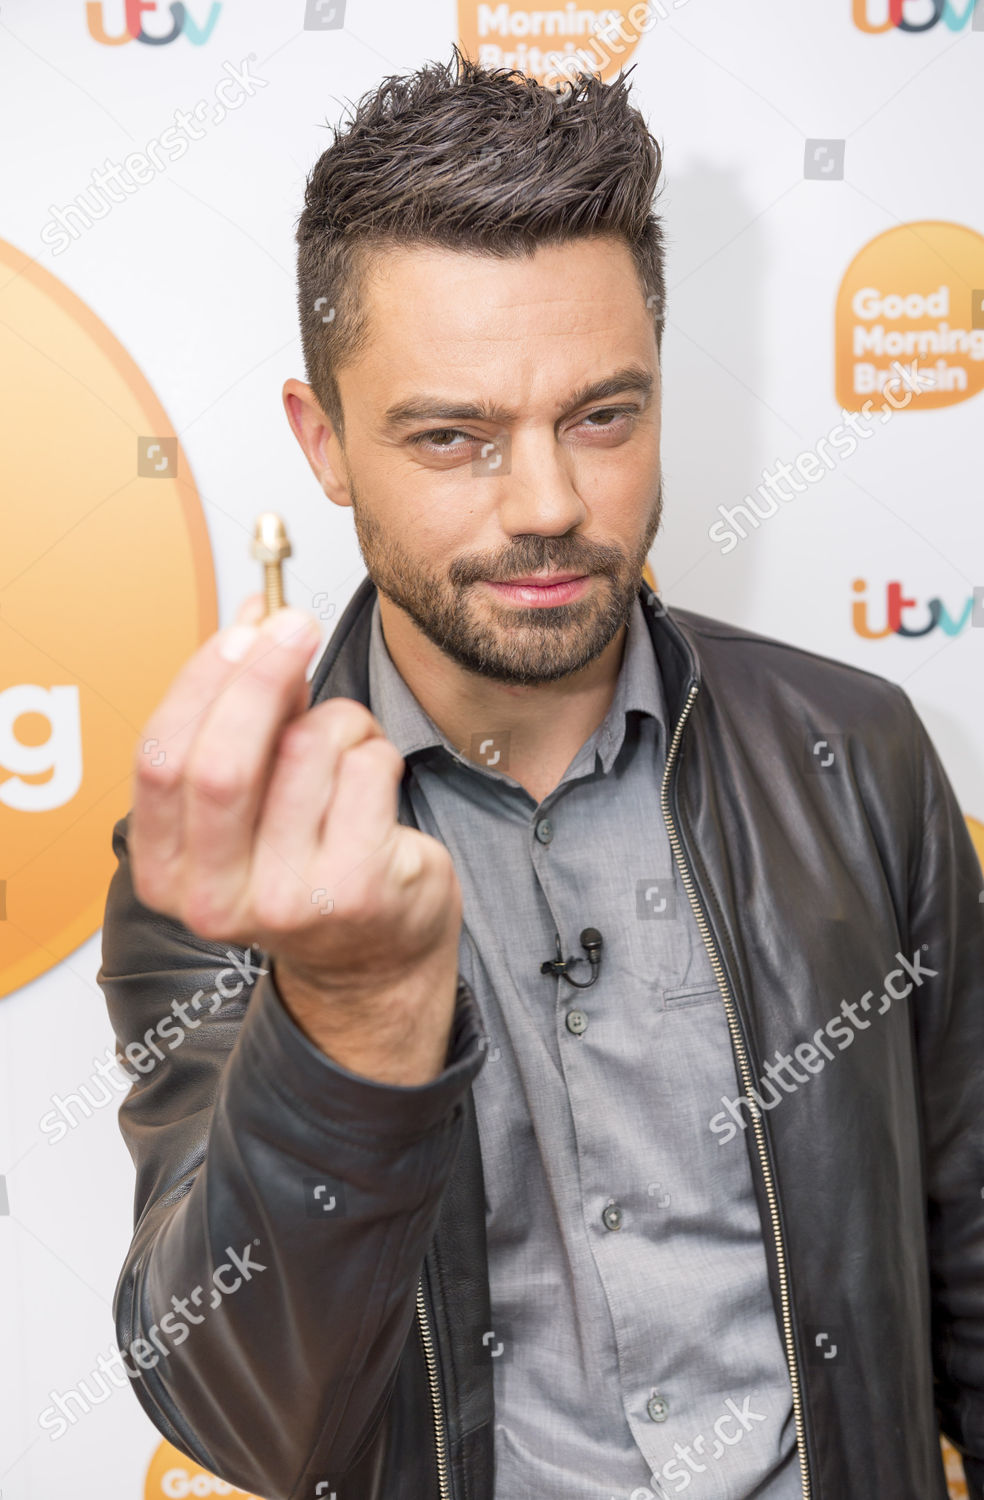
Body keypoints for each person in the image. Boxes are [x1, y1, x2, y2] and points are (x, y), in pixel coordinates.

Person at [98, 46, 984, 1500]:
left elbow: (970, 1248)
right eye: (454, 436)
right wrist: (350, 1016)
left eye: (604, 416)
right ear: (323, 444)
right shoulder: (232, 859)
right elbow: (251, 1416)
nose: (553, 505)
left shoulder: (856, 753)